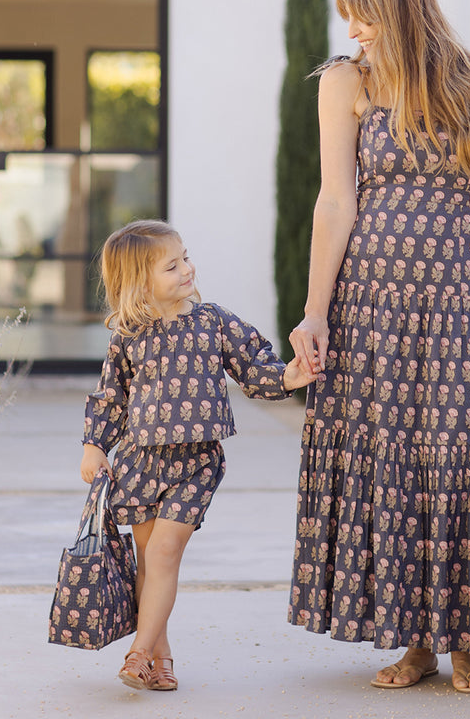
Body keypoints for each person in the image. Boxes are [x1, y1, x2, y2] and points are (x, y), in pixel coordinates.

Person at [287, 0, 470, 693]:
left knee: (461, 454)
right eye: (348, 23)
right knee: (386, 461)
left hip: (462, 295)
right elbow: (335, 200)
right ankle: (411, 642)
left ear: (399, 11)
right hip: (369, 303)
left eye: (364, 18)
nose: (355, 33)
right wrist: (314, 310)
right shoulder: (347, 81)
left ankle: (465, 641)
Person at [80, 219, 317, 691]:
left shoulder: (213, 321)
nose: (187, 268)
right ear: (140, 283)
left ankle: (138, 652)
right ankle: (160, 657)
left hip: (197, 463)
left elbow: (254, 364)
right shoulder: (128, 335)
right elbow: (110, 397)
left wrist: (289, 377)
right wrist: (94, 445)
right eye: (172, 265)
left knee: (166, 552)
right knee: (148, 562)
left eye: (185, 257)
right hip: (140, 463)